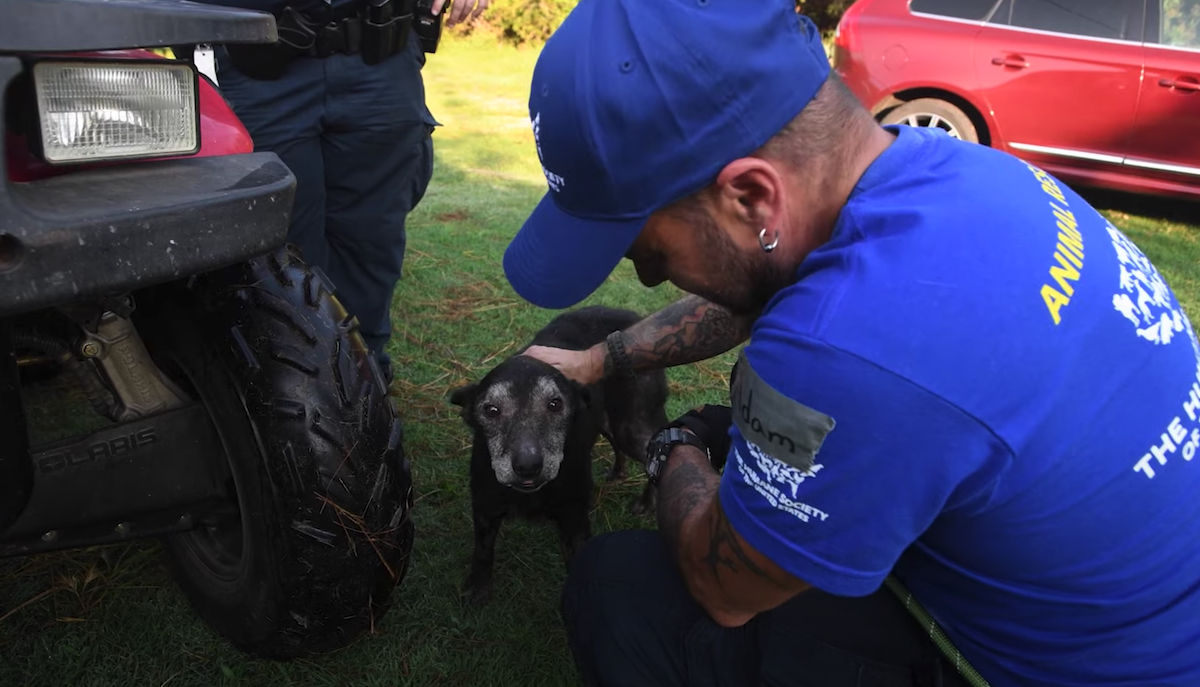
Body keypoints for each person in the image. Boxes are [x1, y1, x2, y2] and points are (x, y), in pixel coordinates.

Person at [499, 1, 1200, 686]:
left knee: (620, 587)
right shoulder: (958, 174)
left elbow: (723, 585)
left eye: (650, 251)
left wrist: (672, 444)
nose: (651, 277)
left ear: (750, 196)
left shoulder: (844, 348)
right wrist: (604, 358)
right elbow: (768, 282)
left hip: (1043, 665)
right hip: (1138, 615)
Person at [190, 0, 489, 384]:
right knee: (282, 247)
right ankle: (296, 380)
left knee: (372, 235)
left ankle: (366, 377)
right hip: (254, 58)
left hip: (382, 50)